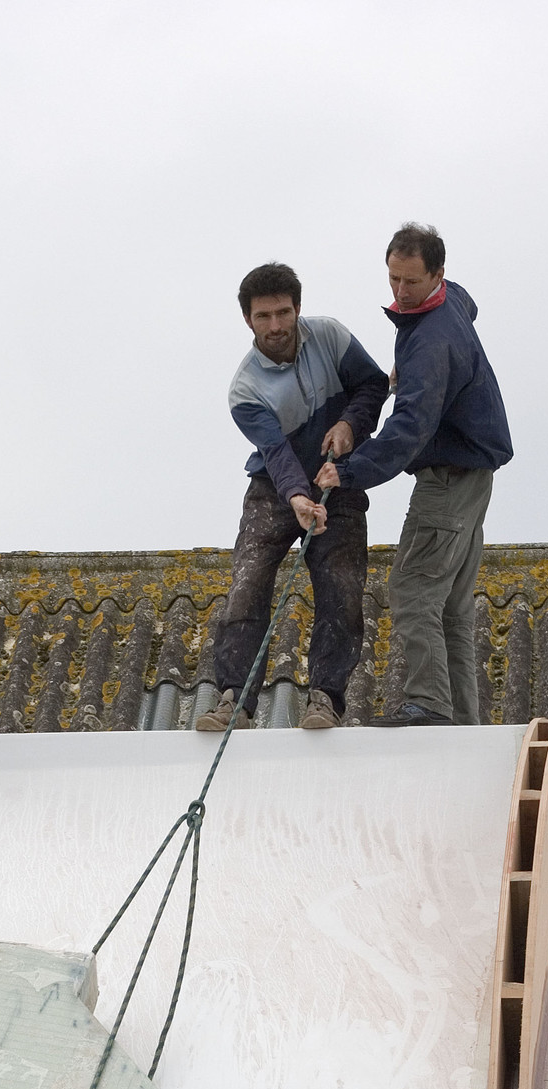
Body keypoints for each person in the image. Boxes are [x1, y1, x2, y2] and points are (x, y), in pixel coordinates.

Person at [316, 223, 512, 727]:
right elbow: (468, 303)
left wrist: (349, 472)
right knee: (450, 608)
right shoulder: (449, 304)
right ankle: (463, 722)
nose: (400, 294)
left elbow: (408, 431)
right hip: (475, 476)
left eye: (411, 282)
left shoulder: (430, 345)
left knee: (411, 590)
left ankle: (428, 704)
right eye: (393, 280)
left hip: (448, 479)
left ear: (437, 274)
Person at [200, 263, 389, 735]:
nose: (276, 326)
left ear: (298, 309)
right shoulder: (244, 390)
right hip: (274, 487)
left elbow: (373, 386)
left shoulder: (331, 337)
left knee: (342, 588)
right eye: (264, 316)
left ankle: (326, 697)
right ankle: (235, 701)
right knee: (247, 582)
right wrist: (299, 498)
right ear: (248, 320)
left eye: (284, 312)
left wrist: (349, 426)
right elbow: (276, 452)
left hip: (340, 480)